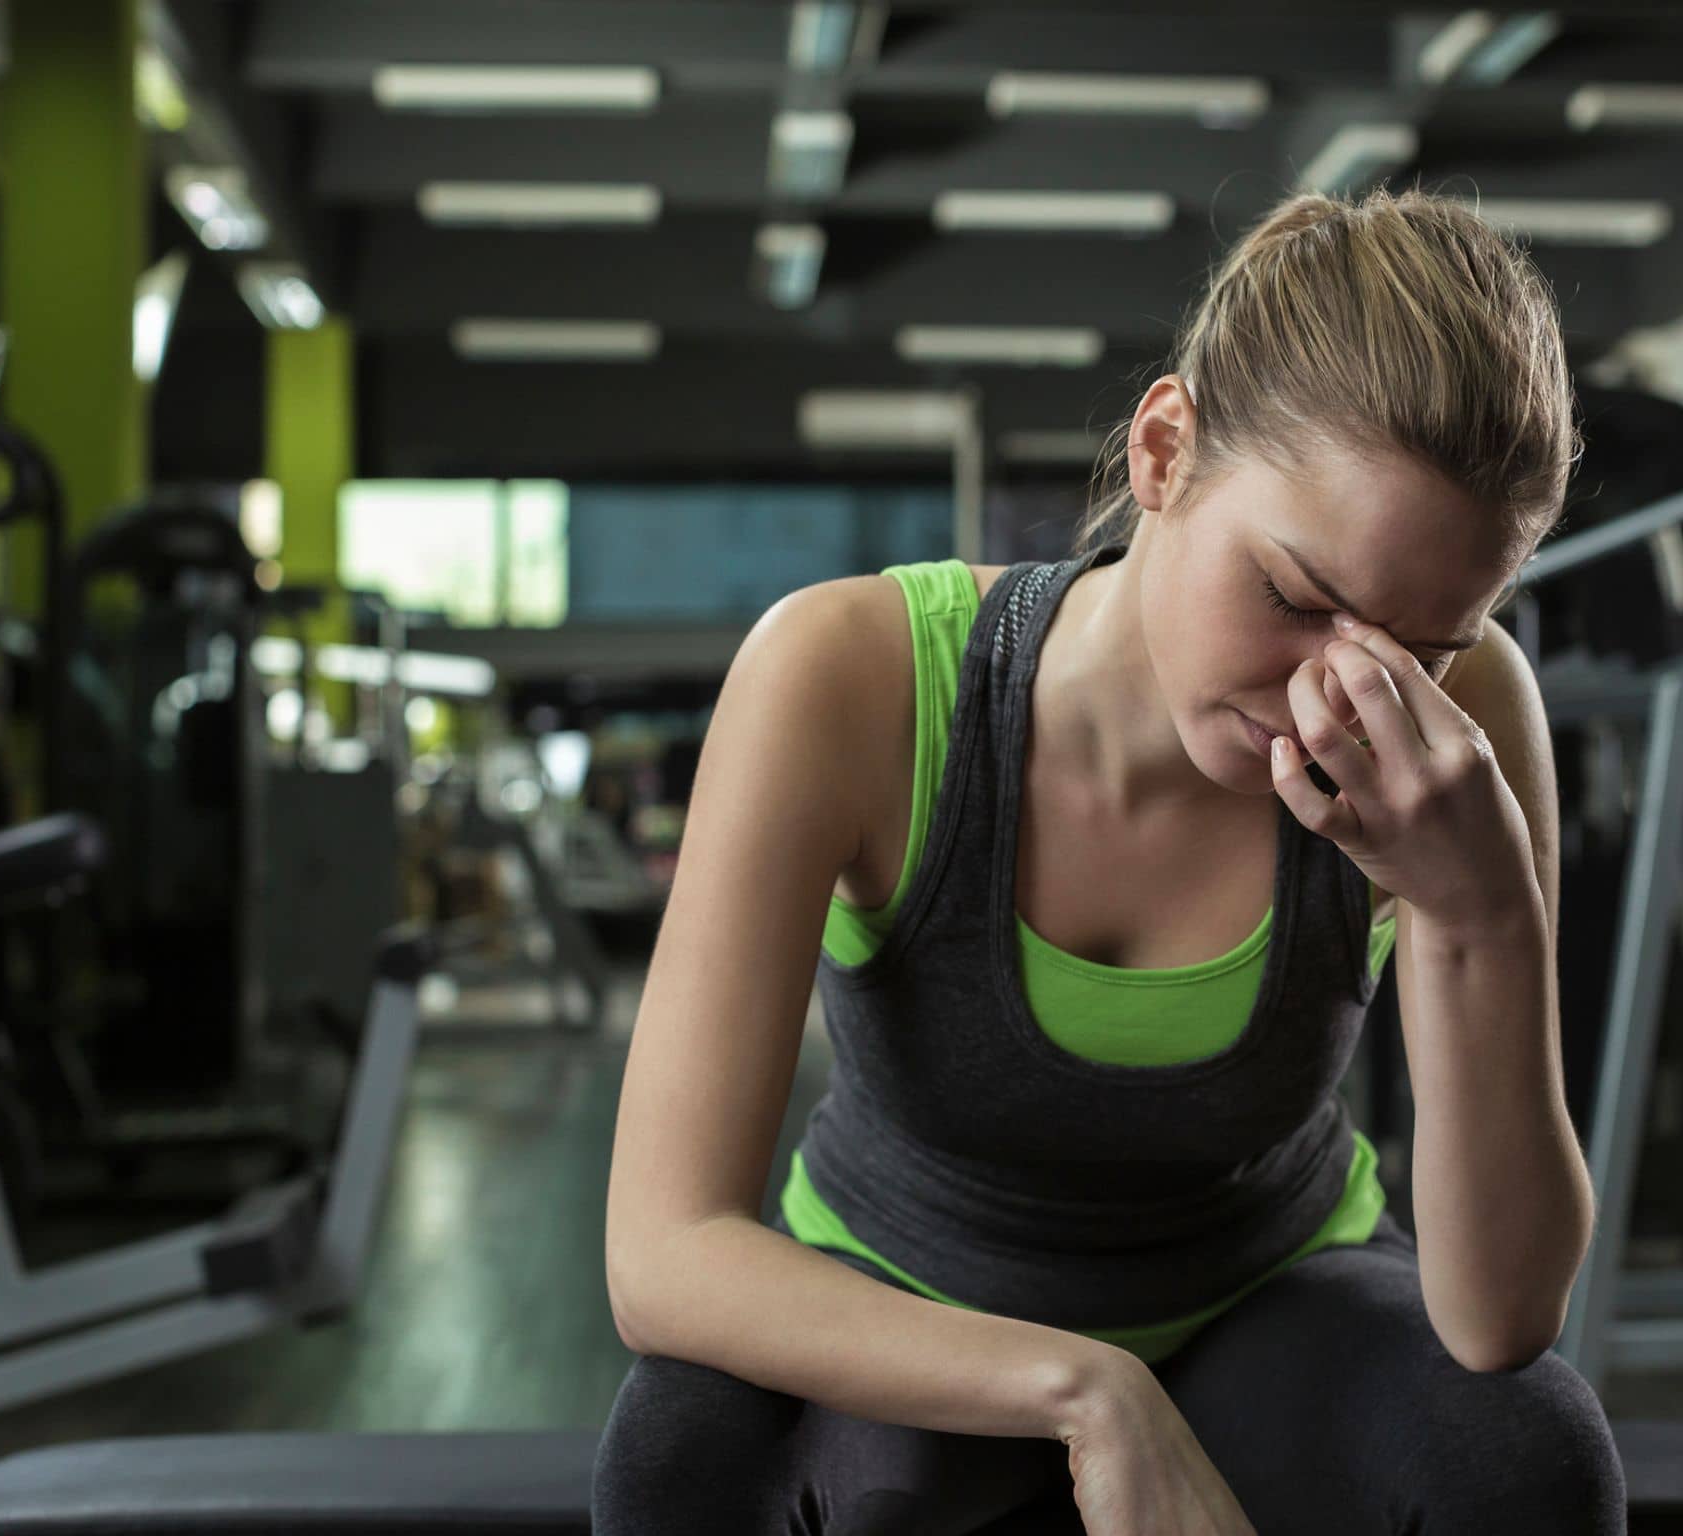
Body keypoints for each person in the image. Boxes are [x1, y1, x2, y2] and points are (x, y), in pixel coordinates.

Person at [594, 186, 1627, 1534]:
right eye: (1297, 598)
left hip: (1274, 1299)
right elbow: (664, 1254)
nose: (1340, 695)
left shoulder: (1460, 728)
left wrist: (1482, 913)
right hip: (905, 1291)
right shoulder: (847, 677)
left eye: (1418, 650)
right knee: (685, 1459)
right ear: (1162, 451)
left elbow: (1499, 1320)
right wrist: (1089, 1390)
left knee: (1522, 1451)